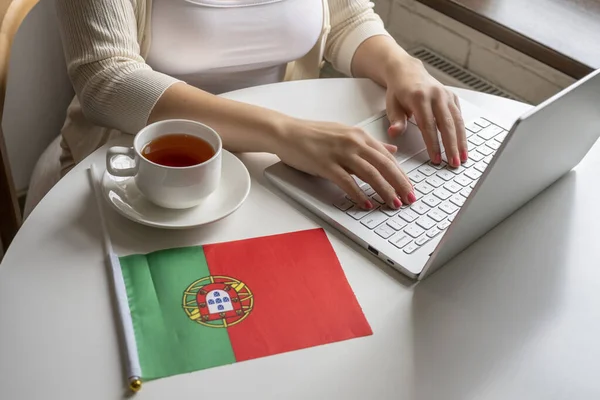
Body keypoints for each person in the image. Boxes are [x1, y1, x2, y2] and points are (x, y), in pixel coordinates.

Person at [37, 0, 466, 214]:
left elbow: (347, 19)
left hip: (281, 163)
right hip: (143, 169)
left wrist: (404, 67)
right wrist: (282, 132)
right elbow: (105, 78)